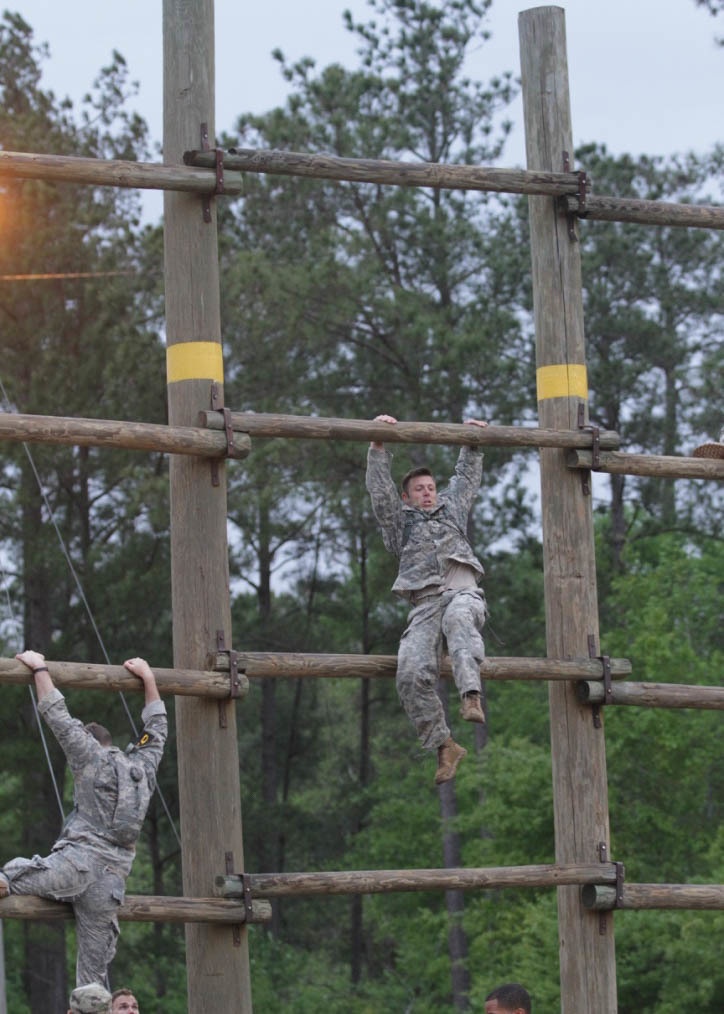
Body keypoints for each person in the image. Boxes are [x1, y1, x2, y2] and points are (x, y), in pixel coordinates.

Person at [0, 651, 167, 988]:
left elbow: (57, 715)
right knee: (93, 982)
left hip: (75, 865)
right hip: (110, 885)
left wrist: (39, 667)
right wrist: (149, 679)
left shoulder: (89, 755)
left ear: (92, 741)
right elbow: (156, 729)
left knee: (9, 878)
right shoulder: (143, 766)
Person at [366, 413, 489, 785]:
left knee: (459, 620)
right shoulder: (400, 523)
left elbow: (466, 479)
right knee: (410, 670)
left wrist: (472, 441)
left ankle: (470, 695)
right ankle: (443, 744)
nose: (427, 492)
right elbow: (381, 495)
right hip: (425, 604)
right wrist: (377, 445)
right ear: (408, 497)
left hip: (462, 594)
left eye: (430, 486)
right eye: (419, 489)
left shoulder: (452, 509)